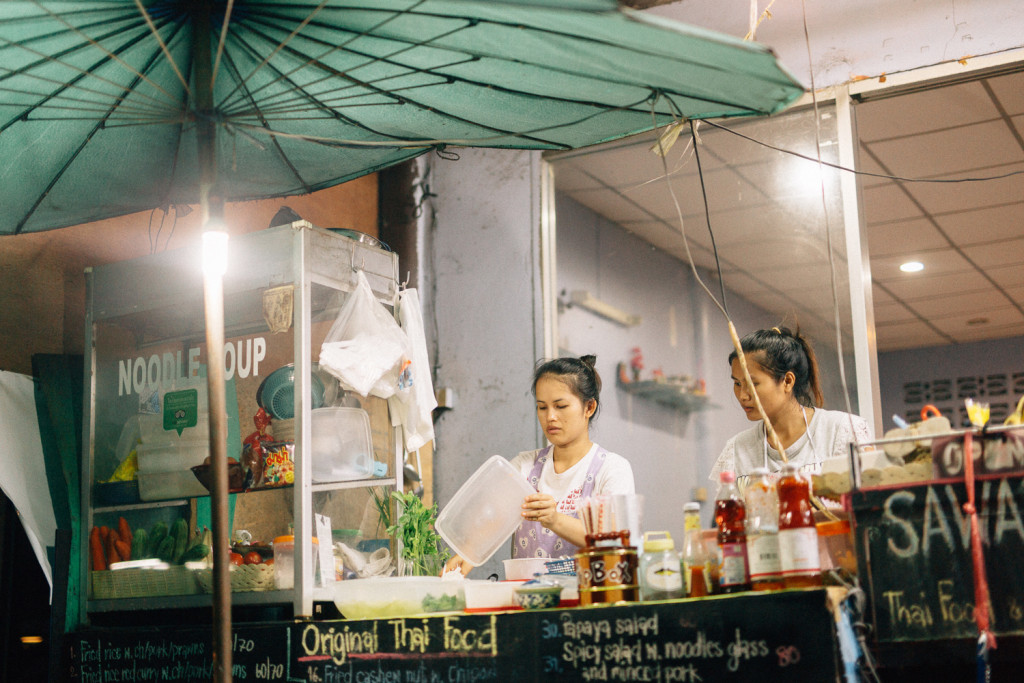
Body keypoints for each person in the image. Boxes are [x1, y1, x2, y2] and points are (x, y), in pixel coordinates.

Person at [445, 355, 635, 576]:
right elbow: (494, 515)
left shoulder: (612, 469)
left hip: (587, 594)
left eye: (561, 406)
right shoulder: (525, 466)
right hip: (527, 593)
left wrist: (555, 519)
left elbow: (613, 542)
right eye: (542, 407)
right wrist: (468, 553)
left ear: (589, 407)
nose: (550, 417)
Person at [710, 326, 872, 485]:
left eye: (753, 384)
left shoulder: (843, 431)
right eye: (737, 383)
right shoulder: (736, 449)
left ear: (787, 381)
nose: (742, 396)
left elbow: (870, 497)